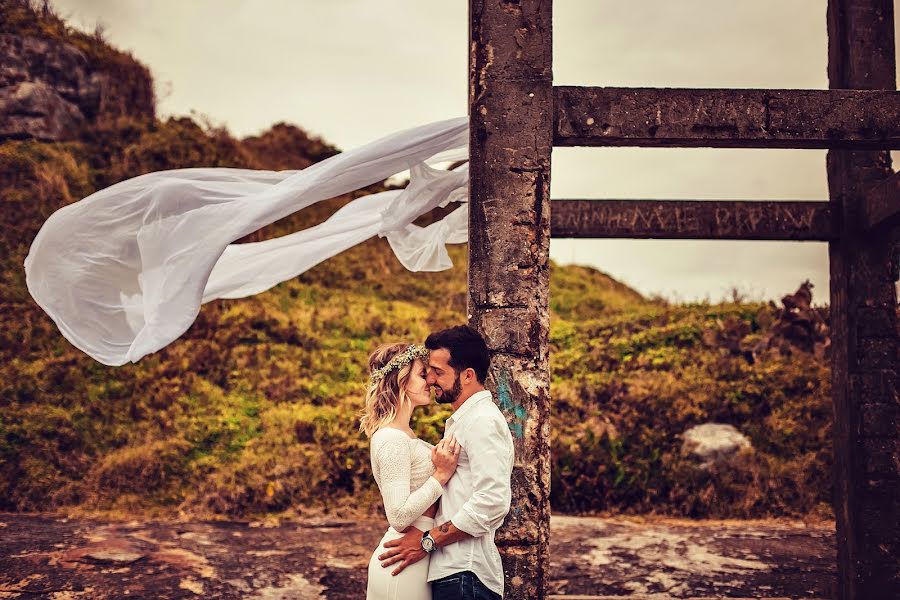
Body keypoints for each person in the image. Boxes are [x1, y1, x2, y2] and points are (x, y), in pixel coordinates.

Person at [377, 325, 515, 600]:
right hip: (452, 572)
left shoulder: (481, 421)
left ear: (467, 376)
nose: (430, 380)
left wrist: (427, 541)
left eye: (438, 372)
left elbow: (493, 501)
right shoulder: (462, 422)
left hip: (466, 574)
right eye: (428, 371)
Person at [362, 342, 462, 600]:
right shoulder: (391, 438)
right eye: (421, 374)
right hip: (400, 564)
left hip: (414, 558)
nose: (430, 380)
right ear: (401, 381)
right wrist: (440, 475)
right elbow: (398, 515)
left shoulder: (404, 434)